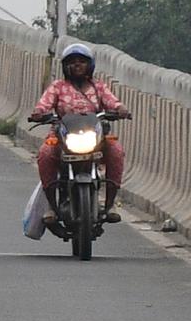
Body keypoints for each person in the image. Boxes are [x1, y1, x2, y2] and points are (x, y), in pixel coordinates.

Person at [27, 44, 132, 224]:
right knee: (45, 154)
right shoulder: (57, 87)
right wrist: (39, 113)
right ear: (65, 66)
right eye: (73, 62)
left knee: (115, 150)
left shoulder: (98, 87)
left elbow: (113, 102)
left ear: (89, 65)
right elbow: (43, 105)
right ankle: (52, 206)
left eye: (82, 61)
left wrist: (120, 109)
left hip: (94, 136)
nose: (77, 65)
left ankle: (109, 204)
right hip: (62, 137)